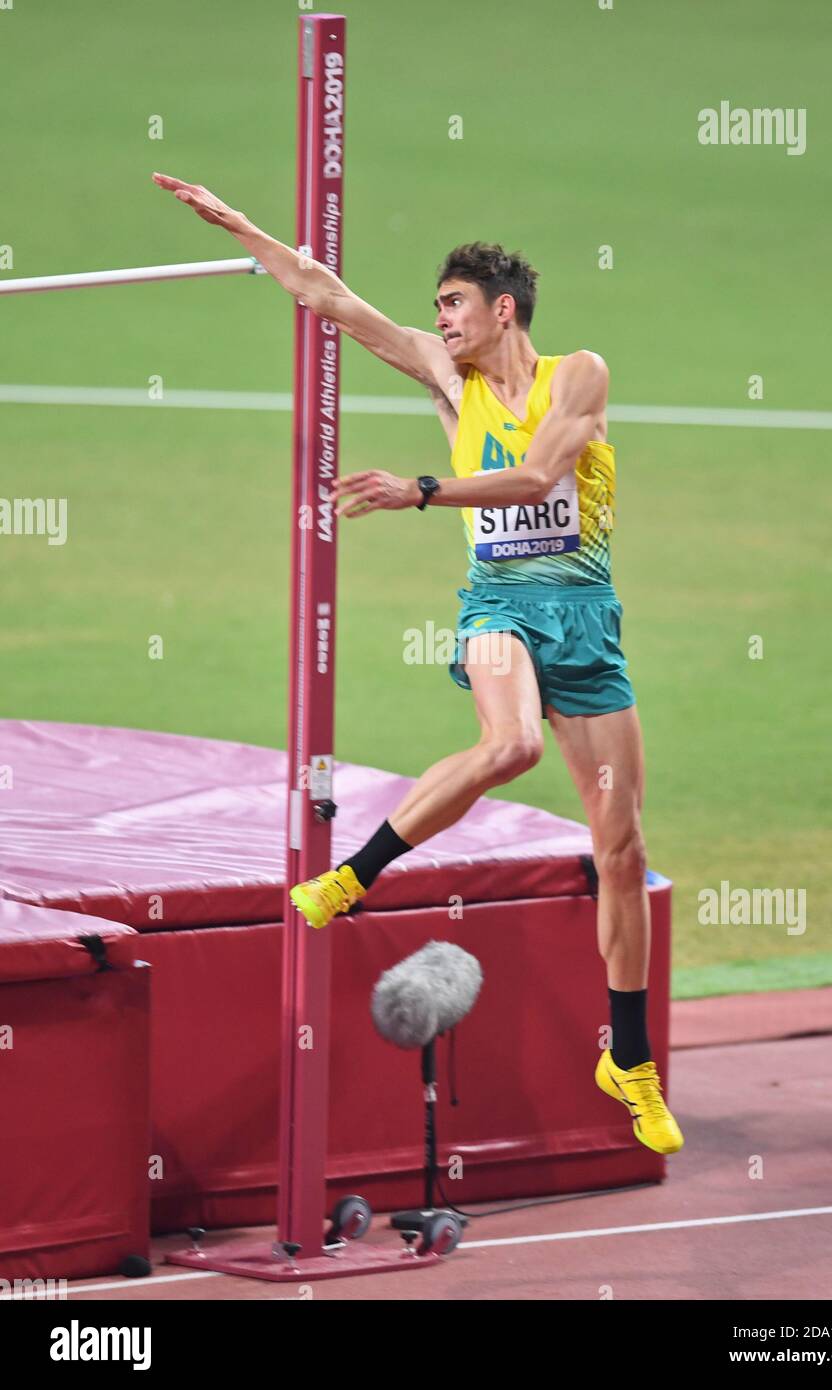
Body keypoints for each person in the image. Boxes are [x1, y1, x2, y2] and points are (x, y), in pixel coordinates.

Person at [152, 172, 683, 1155]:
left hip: (585, 618)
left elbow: (535, 476)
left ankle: (629, 1057)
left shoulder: (578, 375)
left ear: (502, 309)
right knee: (510, 743)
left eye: (451, 304)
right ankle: (354, 876)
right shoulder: (449, 382)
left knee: (622, 849)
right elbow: (331, 298)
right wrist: (242, 228)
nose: (437, 321)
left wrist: (419, 489)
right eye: (436, 308)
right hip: (498, 606)